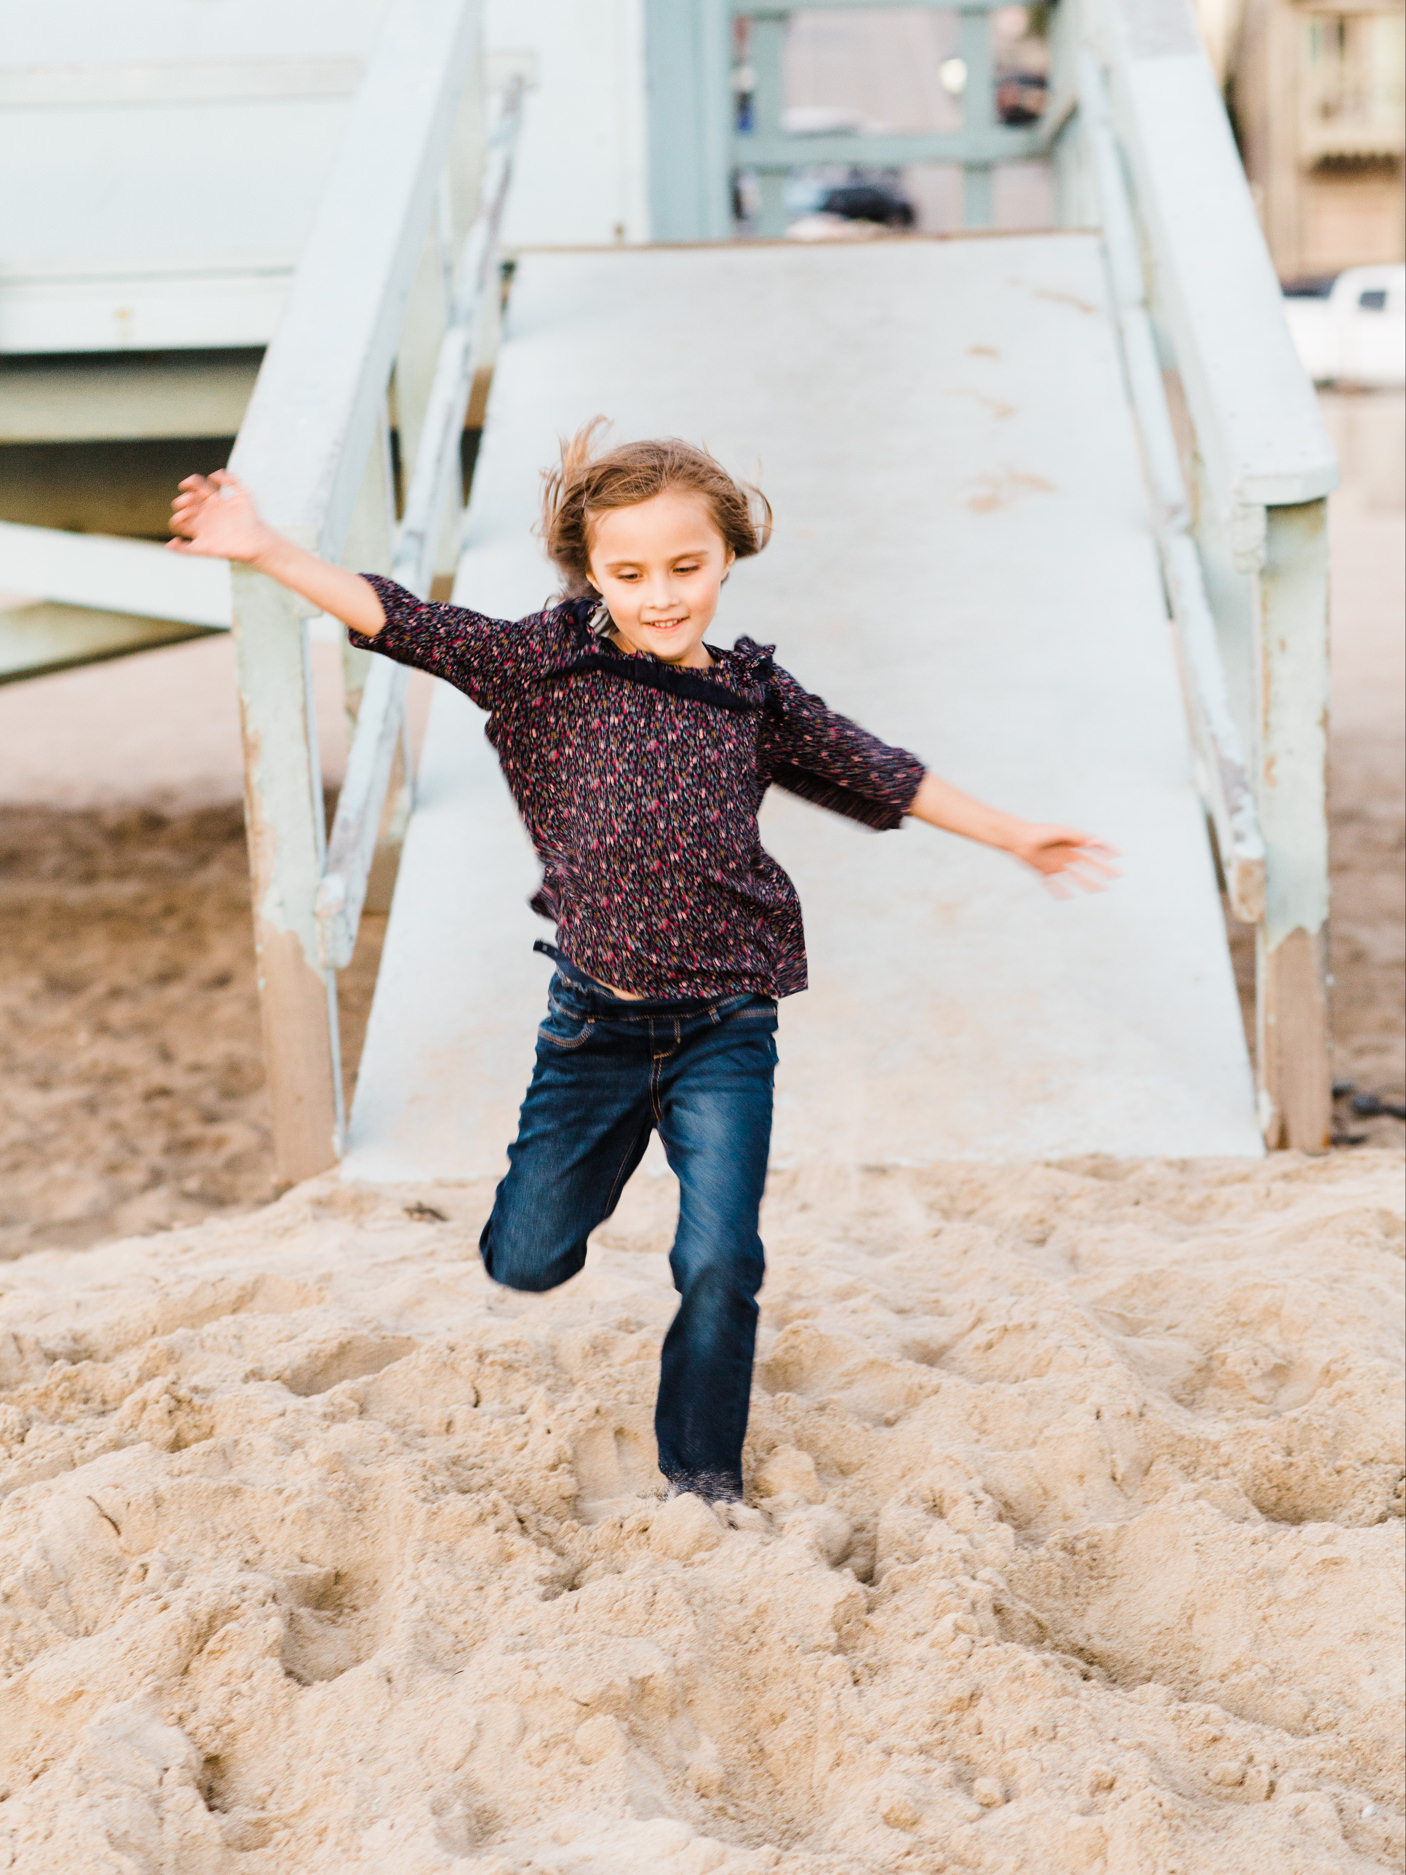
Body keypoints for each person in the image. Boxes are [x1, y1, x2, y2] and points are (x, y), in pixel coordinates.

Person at [169, 426, 1116, 1506]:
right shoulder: (541, 665)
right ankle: (591, 1168)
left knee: (721, 1260)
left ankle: (701, 1475)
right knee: (522, 1260)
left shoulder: (754, 695)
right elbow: (399, 617)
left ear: (725, 558)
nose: (660, 595)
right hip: (592, 1030)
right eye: (629, 574)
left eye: (685, 567)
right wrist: (261, 545)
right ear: (589, 569)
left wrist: (1016, 836)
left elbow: (878, 769)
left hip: (726, 1025)